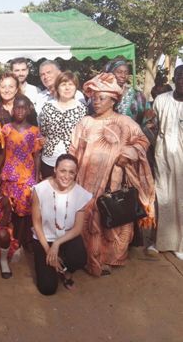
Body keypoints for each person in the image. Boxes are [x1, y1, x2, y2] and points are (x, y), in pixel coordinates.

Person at [69, 73, 155, 276]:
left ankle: (109, 258)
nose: (96, 102)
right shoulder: (85, 123)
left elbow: (143, 141)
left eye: (102, 98)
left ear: (113, 100)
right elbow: (73, 150)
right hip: (85, 181)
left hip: (113, 181)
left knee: (111, 217)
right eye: (94, 98)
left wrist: (129, 153)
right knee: (89, 218)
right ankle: (89, 259)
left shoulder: (125, 122)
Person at [31, 154, 91, 295]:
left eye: (71, 172)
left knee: (79, 258)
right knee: (47, 289)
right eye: (63, 171)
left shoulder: (80, 193)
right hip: (44, 239)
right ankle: (53, 263)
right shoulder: (40, 190)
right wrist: (48, 249)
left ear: (75, 173)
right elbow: (37, 223)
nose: (66, 176)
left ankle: (67, 272)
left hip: (66, 237)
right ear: (55, 170)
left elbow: (77, 228)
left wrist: (57, 244)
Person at [0, 95, 43, 251]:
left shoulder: (34, 131)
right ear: (13, 109)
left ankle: (23, 240)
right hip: (9, 176)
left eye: (23, 107)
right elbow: (3, 153)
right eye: (17, 107)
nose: (20, 110)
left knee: (24, 212)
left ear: (28, 109)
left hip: (27, 177)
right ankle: (12, 240)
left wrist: (36, 179)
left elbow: (36, 156)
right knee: (9, 210)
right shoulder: (6, 129)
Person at [151, 65, 183, 259]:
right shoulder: (161, 100)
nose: (181, 80)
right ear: (174, 78)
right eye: (179, 76)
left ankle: (181, 245)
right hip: (162, 156)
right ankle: (162, 242)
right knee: (163, 198)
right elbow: (150, 126)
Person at [38, 71, 87, 179]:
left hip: (72, 160)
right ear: (57, 87)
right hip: (49, 159)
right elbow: (43, 131)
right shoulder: (48, 107)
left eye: (71, 84)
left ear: (75, 87)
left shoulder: (82, 109)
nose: (67, 88)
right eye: (63, 84)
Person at [106, 59, 148, 124]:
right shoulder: (102, 94)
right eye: (119, 72)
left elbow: (148, 116)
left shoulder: (137, 95)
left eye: (126, 72)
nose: (123, 76)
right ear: (110, 73)